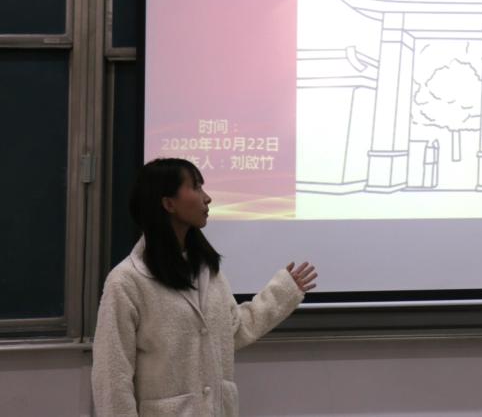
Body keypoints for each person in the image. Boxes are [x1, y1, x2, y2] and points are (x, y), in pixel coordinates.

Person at [92, 158, 317, 417]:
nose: (207, 198)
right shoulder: (126, 281)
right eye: (196, 187)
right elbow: (112, 376)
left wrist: (282, 293)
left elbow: (232, 332)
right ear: (168, 203)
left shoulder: (207, 270)